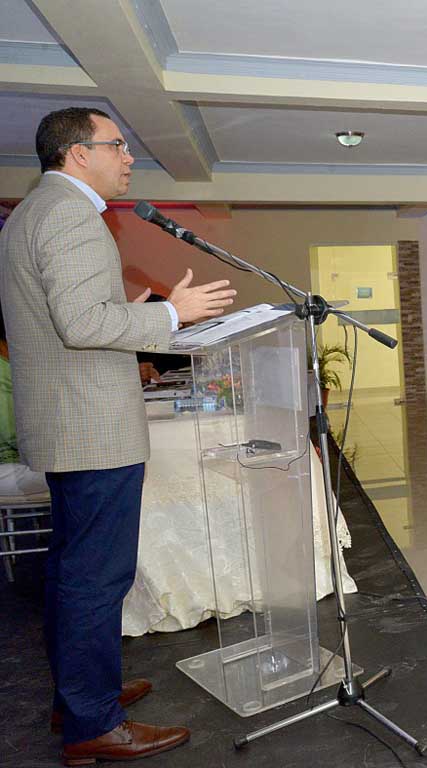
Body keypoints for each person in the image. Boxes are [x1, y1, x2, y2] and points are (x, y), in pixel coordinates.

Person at [0, 107, 237, 763]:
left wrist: (128, 315)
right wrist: (171, 314)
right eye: (117, 145)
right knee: (95, 578)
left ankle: (78, 695)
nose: (129, 157)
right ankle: (93, 724)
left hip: (67, 420)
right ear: (78, 153)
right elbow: (80, 325)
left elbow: (68, 318)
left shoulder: (33, 211)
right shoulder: (71, 215)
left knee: (72, 569)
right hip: (91, 426)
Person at [0, 305, 49, 496]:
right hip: (8, 466)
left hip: (22, 462)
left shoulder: (16, 365)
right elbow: (12, 434)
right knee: (80, 474)